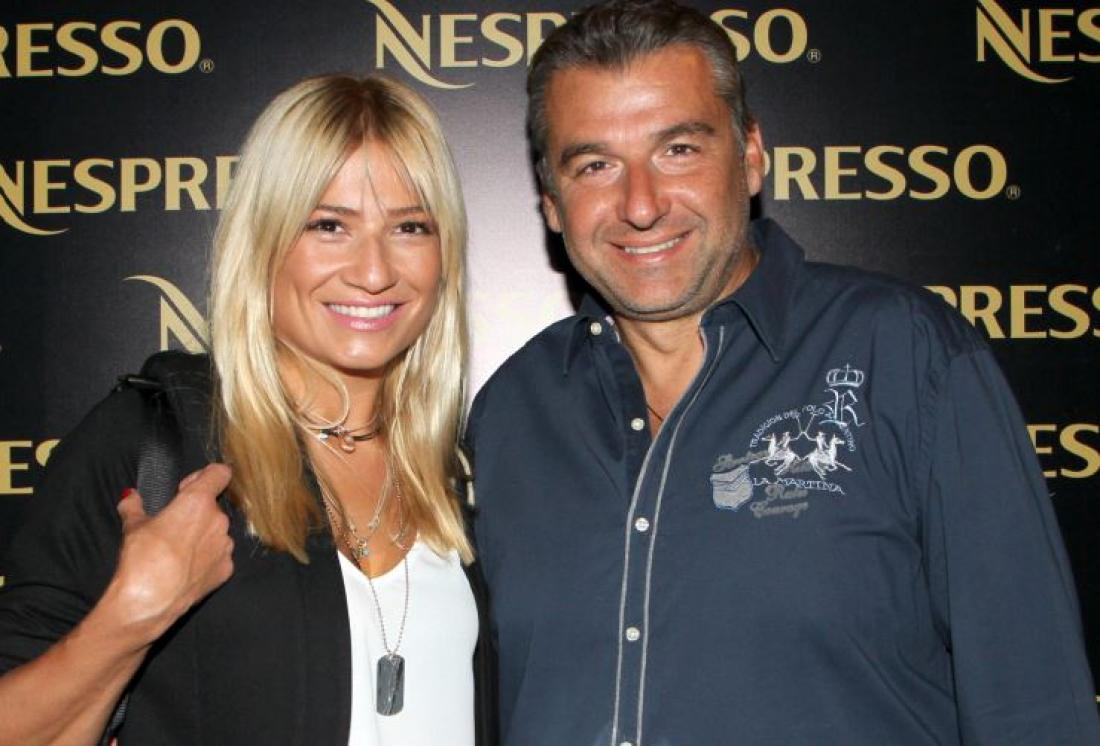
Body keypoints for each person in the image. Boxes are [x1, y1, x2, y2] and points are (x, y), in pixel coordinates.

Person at [464, 1, 1100, 744]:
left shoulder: (906, 357)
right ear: (551, 201)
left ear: (752, 156)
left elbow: (1034, 708)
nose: (640, 205)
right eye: (596, 165)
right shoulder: (511, 412)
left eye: (678, 150)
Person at [0, 74, 493, 745]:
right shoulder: (156, 443)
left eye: (410, 227)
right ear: (263, 242)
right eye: (328, 226)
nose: (375, 271)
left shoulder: (463, 473)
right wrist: (128, 618)